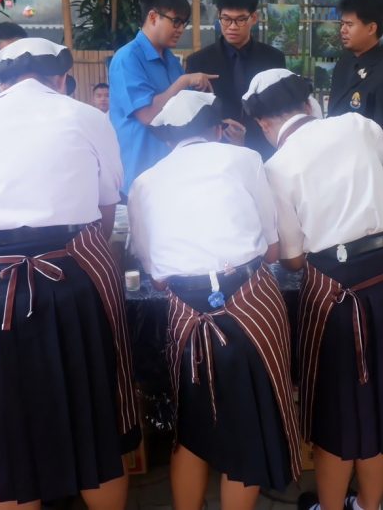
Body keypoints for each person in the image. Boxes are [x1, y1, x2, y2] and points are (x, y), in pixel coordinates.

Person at [0, 38, 139, 510]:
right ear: (62, 79)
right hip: (75, 281)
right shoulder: (88, 118)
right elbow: (105, 223)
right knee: (95, 427)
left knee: (12, 440)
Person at [243, 69, 383, 510]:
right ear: (308, 103)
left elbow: (293, 257)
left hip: (338, 295)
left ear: (263, 123)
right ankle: (368, 507)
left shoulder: (275, 167)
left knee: (339, 415)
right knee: (382, 408)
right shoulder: (353, 124)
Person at [128, 90, 299, 510]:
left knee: (191, 428)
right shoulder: (243, 160)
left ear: (168, 139)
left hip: (186, 313)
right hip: (250, 305)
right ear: (218, 129)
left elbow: (155, 272)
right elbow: (273, 249)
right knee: (247, 430)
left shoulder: (144, 182)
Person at [108, 0, 217, 193]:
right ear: (152, 17)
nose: (180, 29)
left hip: (170, 174)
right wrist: (183, 82)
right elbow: (148, 114)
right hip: (138, 177)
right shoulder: (127, 58)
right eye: (176, 21)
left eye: (184, 23)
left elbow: (179, 113)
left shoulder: (170, 59)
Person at [185, 0, 286, 159]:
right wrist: (221, 124)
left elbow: (281, 108)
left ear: (254, 18)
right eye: (226, 19)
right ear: (219, 16)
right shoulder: (198, 61)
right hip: (215, 152)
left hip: (263, 149)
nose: (232, 26)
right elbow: (191, 111)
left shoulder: (274, 59)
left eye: (240, 20)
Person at [328, 0, 383, 149]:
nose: (343, 30)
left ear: (371, 28)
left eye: (350, 24)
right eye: (342, 24)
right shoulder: (344, 62)